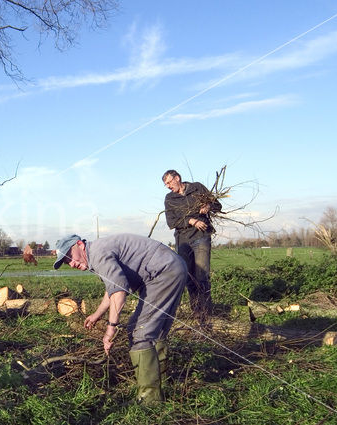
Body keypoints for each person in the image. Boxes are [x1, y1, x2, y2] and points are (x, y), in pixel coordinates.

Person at [54, 233, 187, 405]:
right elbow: (113, 287)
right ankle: (162, 383)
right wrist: (97, 315)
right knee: (156, 330)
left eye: (69, 257)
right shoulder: (97, 252)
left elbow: (118, 292)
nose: (71, 264)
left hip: (162, 273)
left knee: (139, 332)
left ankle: (150, 399)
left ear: (79, 245)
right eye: (66, 262)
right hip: (173, 267)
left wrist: (111, 328)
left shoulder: (98, 254)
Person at [162, 170, 221, 319]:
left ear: (177, 178)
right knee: (188, 277)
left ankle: (206, 312)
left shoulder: (197, 188)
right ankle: (196, 311)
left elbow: (217, 205)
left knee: (202, 276)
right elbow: (171, 222)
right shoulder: (169, 198)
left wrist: (208, 206)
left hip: (201, 237)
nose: (168, 186)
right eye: (166, 184)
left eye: (169, 182)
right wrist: (191, 221)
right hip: (183, 241)